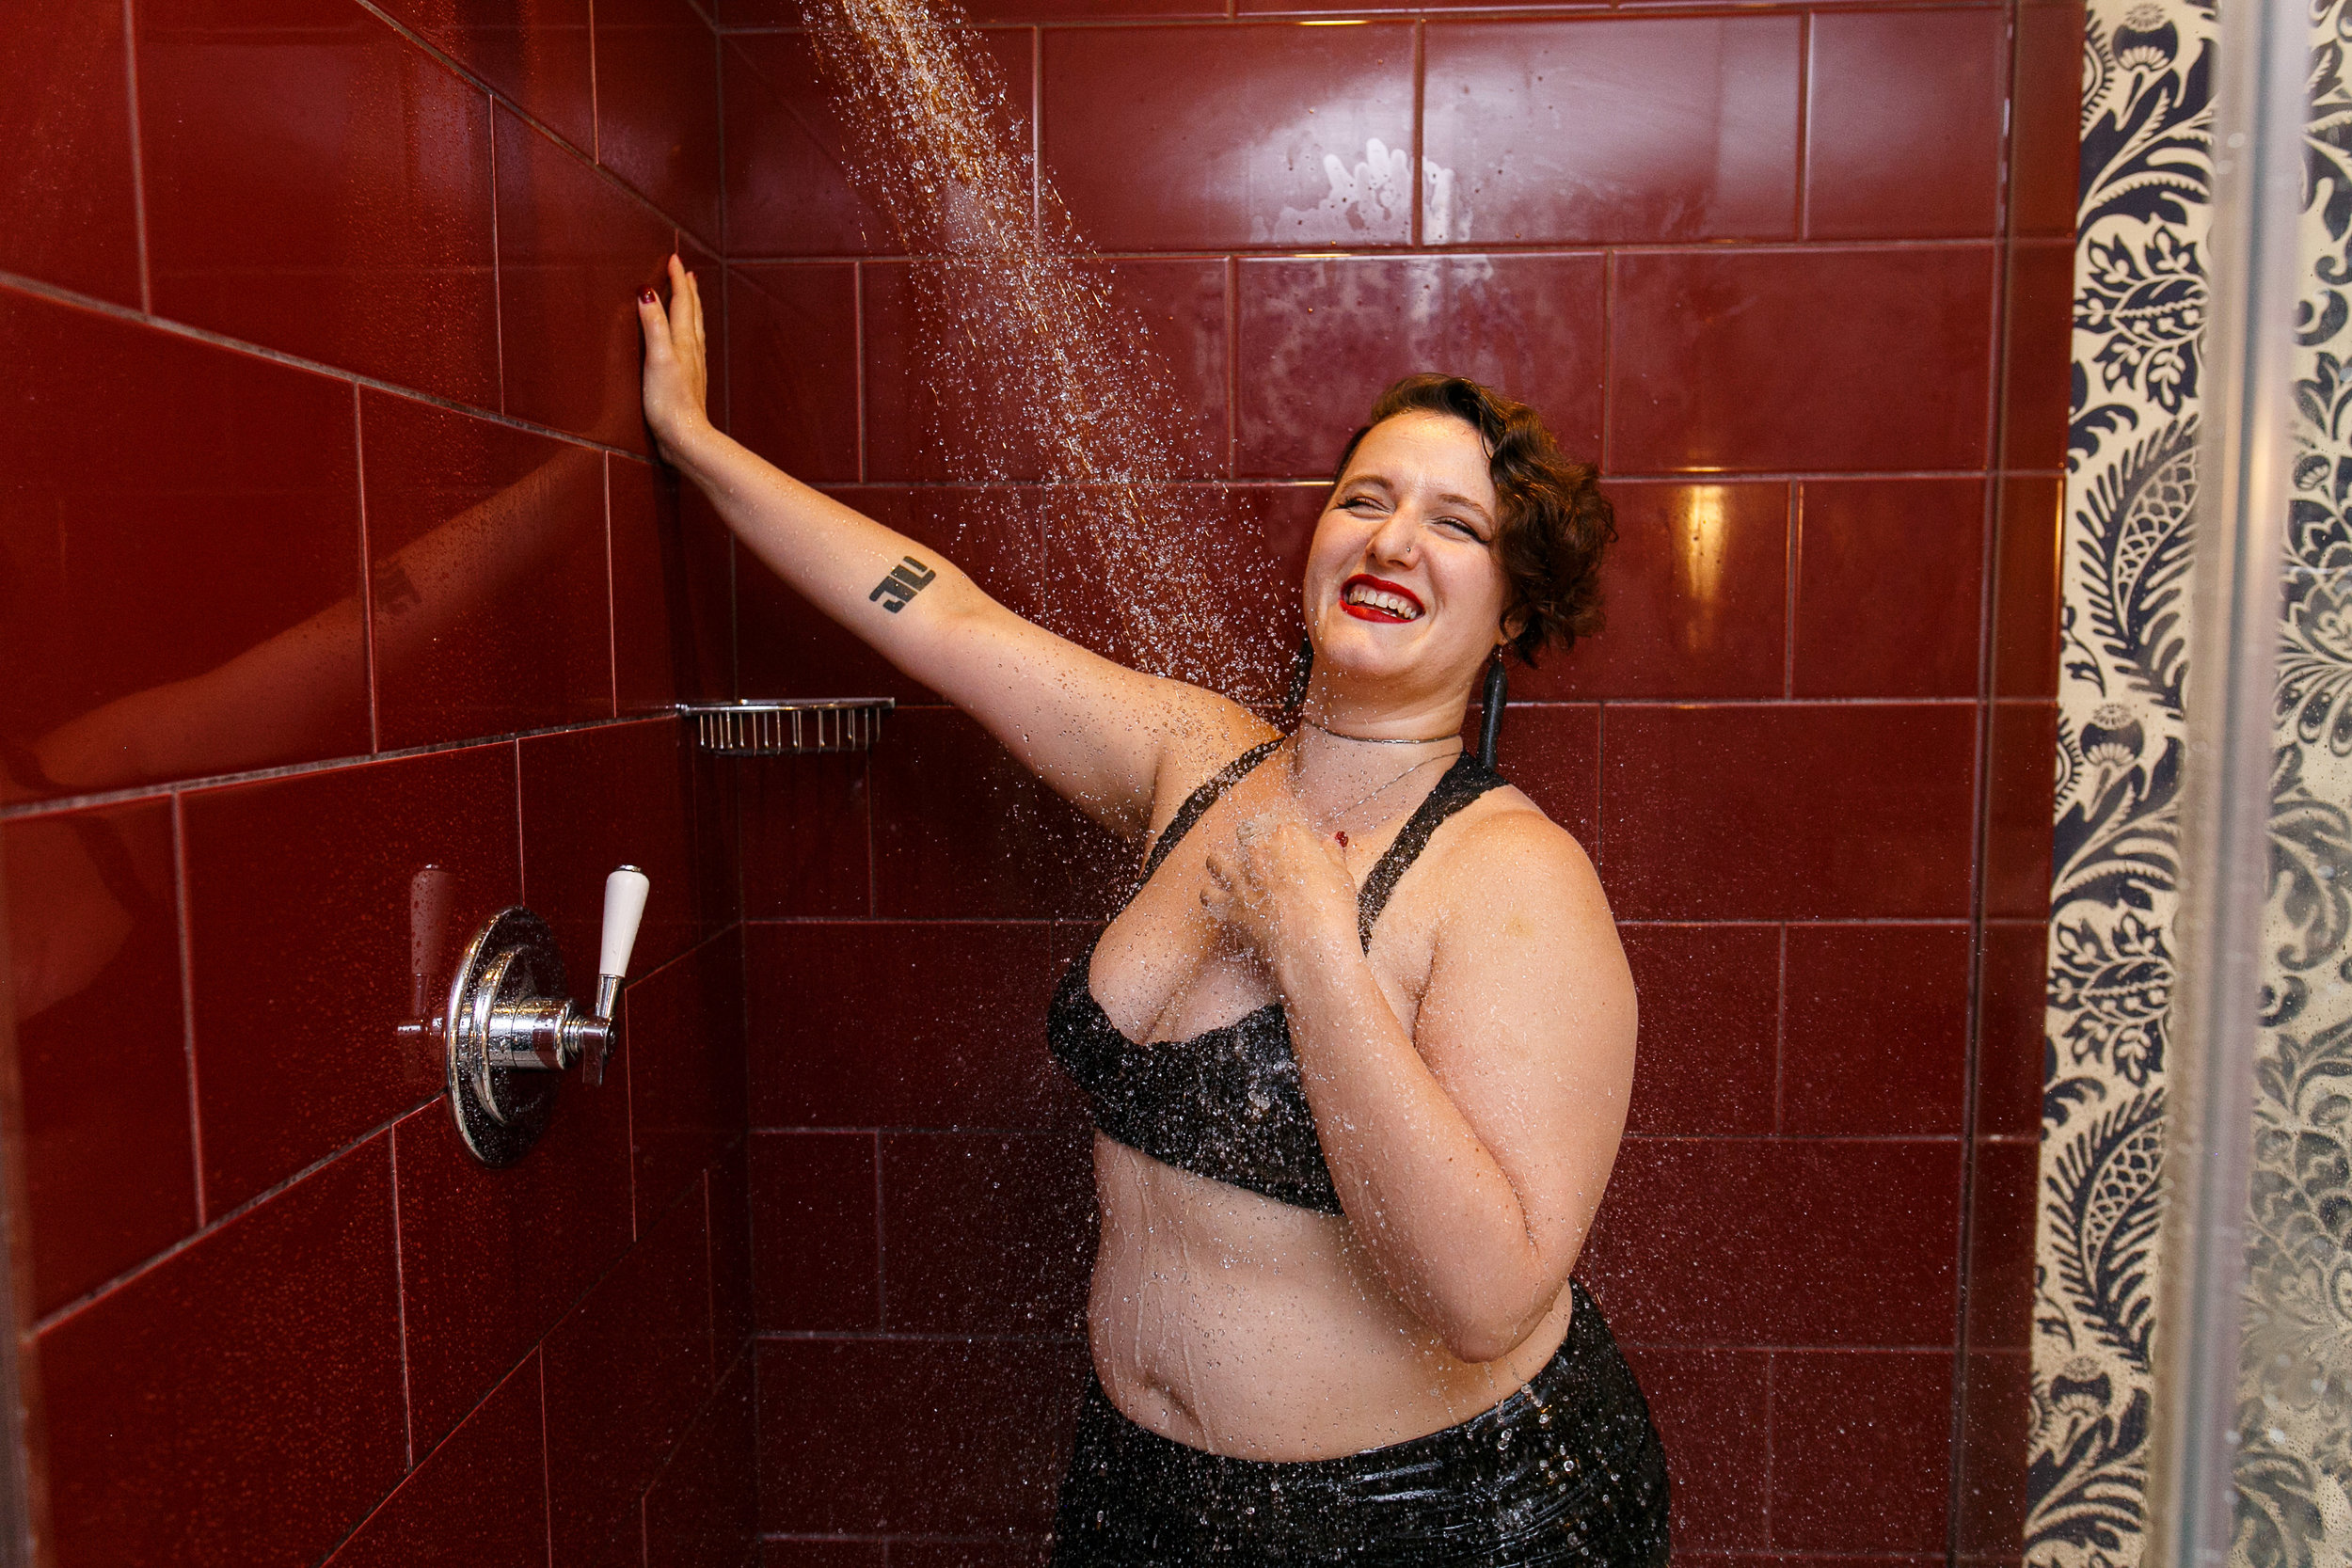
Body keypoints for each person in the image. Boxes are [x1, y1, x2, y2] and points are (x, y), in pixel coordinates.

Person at [637, 256, 1669, 1565]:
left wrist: (1317, 955)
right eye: (1366, 499)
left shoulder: (1515, 879)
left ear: (1513, 610)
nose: (1393, 540)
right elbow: (941, 615)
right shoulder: (1196, 758)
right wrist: (699, 445)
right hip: (1139, 1505)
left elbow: (1485, 1297)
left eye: (1457, 526)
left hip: (1447, 1520)